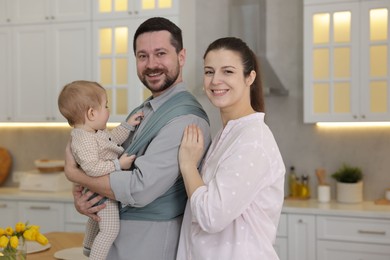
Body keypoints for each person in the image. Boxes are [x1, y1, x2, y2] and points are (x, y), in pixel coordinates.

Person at [63, 17, 211, 260]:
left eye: (160, 53)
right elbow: (103, 156)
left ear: (181, 57)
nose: (151, 64)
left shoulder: (184, 119)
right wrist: (85, 199)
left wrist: (74, 174)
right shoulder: (146, 109)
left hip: (147, 245)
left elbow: (139, 188)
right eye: (143, 56)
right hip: (123, 244)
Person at [177, 37, 286, 260]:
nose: (216, 80)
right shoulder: (227, 134)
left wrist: (188, 166)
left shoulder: (254, 140)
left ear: (250, 77)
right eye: (209, 72)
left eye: (227, 71)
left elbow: (210, 216)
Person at [58, 80, 143, 260]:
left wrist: (127, 126)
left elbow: (111, 141)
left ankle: (89, 247)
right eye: (106, 106)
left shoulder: (93, 133)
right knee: (110, 229)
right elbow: (92, 168)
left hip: (97, 189)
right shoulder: (84, 139)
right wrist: (118, 165)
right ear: (91, 113)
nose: (108, 110)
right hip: (101, 190)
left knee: (95, 221)